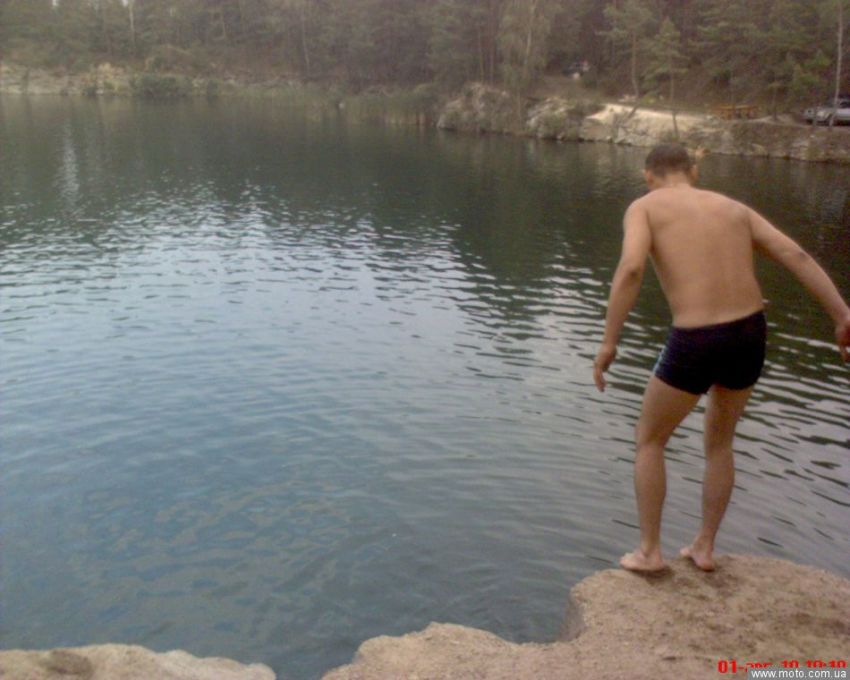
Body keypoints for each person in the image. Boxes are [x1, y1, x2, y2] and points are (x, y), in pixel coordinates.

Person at [592, 143, 850, 573]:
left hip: (697, 337)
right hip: (750, 331)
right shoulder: (733, 209)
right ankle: (704, 546)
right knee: (720, 443)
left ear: (647, 176)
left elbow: (632, 268)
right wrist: (842, 316)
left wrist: (608, 343)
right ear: (693, 171)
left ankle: (650, 552)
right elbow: (797, 255)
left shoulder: (645, 207)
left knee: (650, 440)